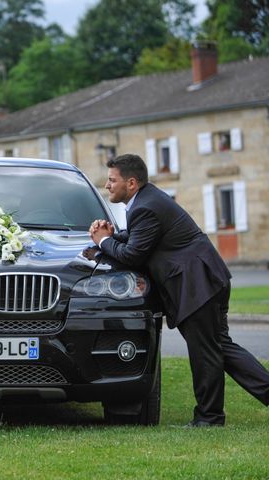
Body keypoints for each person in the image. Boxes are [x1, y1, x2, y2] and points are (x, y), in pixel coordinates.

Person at [88, 153, 269, 427]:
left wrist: (103, 242)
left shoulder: (144, 207)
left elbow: (134, 255)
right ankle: (216, 414)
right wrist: (111, 236)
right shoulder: (146, 202)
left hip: (198, 285)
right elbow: (140, 239)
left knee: (206, 352)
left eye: (112, 181)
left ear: (132, 183)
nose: (107, 186)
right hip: (206, 280)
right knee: (220, 348)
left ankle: (209, 418)